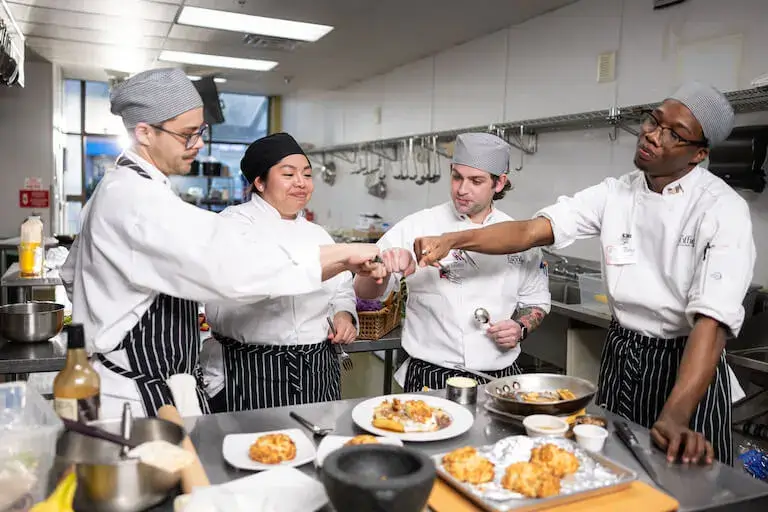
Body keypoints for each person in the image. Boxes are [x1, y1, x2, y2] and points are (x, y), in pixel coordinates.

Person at [414, 82, 755, 466]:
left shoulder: (722, 209)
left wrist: (676, 414)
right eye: (653, 121)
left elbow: (712, 322)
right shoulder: (616, 193)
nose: (652, 136)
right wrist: (453, 239)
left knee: (687, 482)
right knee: (617, 469)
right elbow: (529, 232)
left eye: (674, 134)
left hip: (687, 363)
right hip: (622, 354)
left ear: (699, 154)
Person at [60, 68, 384, 419]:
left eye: (200, 132)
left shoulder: (126, 189)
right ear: (145, 133)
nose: (198, 144)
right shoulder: (135, 200)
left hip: (149, 383)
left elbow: (70, 272)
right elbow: (236, 268)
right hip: (133, 396)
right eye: (187, 134)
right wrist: (345, 253)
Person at [354, 132, 551, 392]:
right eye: (457, 176)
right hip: (429, 375)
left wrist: (520, 327)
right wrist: (381, 268)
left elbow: (536, 301)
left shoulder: (518, 236)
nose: (461, 189)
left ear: (499, 183)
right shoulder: (417, 226)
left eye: (476, 181)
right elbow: (363, 293)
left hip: (498, 378)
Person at [202, 133, 359, 412]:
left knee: (316, 443)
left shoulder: (317, 233)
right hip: (252, 368)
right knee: (259, 449)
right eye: (288, 174)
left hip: (317, 367)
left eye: (307, 174)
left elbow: (342, 288)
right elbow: (262, 273)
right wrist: (347, 254)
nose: (301, 182)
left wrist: (344, 315)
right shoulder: (233, 224)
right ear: (259, 182)